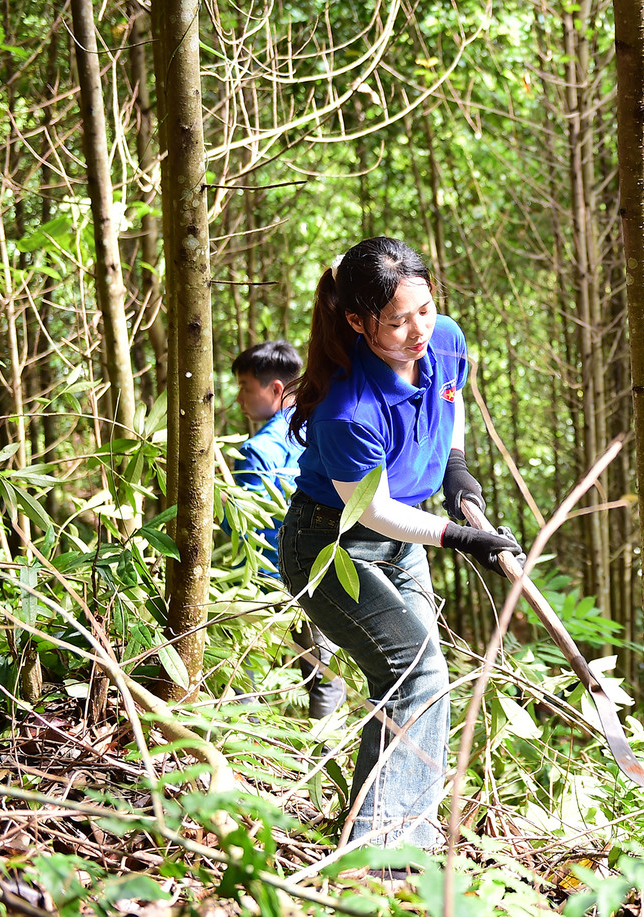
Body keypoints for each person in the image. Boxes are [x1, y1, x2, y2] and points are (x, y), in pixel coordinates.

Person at [280, 236, 523, 852]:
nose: (418, 330)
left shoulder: (443, 338)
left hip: (400, 541)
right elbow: (377, 510)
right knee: (412, 667)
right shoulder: (345, 409)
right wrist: (460, 535)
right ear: (358, 322)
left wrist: (457, 465)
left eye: (425, 308)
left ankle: (398, 839)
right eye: (396, 321)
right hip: (329, 545)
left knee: (423, 682)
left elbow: (451, 396)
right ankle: (380, 856)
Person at [229, 341, 345, 719]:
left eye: (246, 387)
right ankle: (324, 758)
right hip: (326, 567)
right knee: (324, 672)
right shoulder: (328, 427)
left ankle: (240, 749)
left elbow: (246, 523)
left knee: (242, 666)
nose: (240, 398)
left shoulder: (259, 449)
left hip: (268, 575)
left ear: (276, 389)